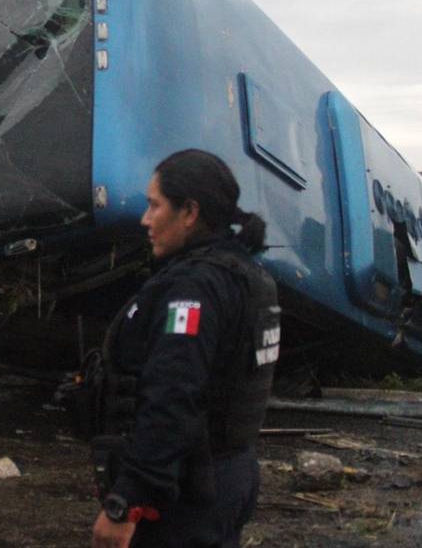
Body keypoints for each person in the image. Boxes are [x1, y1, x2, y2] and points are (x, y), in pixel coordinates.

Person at [90, 149, 279, 548]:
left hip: (189, 492)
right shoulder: (249, 275)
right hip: (229, 474)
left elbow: (173, 395)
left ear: (189, 212)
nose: (145, 220)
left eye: (154, 206)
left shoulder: (196, 287)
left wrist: (125, 501)